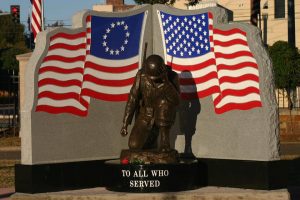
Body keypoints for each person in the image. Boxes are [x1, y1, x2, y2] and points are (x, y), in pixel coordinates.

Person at [120, 55, 180, 152]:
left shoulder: (172, 76)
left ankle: (165, 141)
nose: (153, 80)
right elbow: (132, 99)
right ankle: (151, 136)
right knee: (134, 145)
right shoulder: (141, 76)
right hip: (146, 115)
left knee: (165, 103)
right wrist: (125, 123)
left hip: (162, 115)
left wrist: (167, 83)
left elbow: (177, 101)